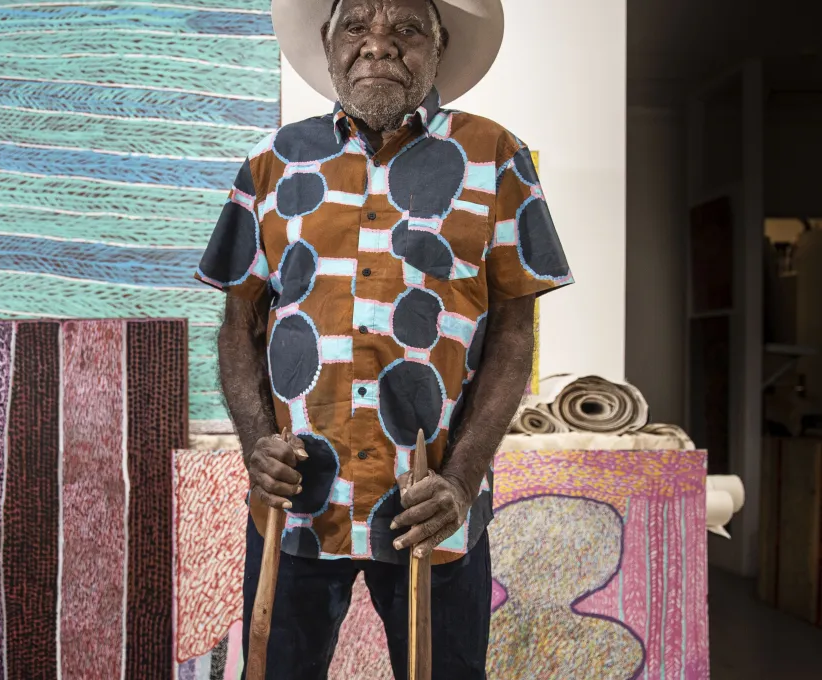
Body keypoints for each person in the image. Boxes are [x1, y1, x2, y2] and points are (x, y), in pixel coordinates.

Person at [194, 0, 572, 677]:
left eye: (406, 29)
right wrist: (257, 446)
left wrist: (459, 482)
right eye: (356, 26)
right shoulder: (270, 165)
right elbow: (240, 327)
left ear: (439, 44)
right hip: (300, 504)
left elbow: (515, 335)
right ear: (327, 41)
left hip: (431, 508)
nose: (378, 46)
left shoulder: (496, 157)